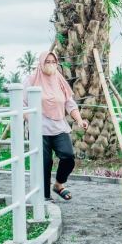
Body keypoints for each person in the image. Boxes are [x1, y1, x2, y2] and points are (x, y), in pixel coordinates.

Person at [23, 51, 89, 201]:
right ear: (41, 63)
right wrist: (31, 121)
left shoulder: (59, 79)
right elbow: (22, 104)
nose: (51, 64)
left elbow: (69, 103)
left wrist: (79, 120)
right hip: (39, 129)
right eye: (47, 61)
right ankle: (45, 197)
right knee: (45, 163)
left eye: (53, 61)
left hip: (59, 126)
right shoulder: (31, 80)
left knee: (68, 157)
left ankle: (58, 185)